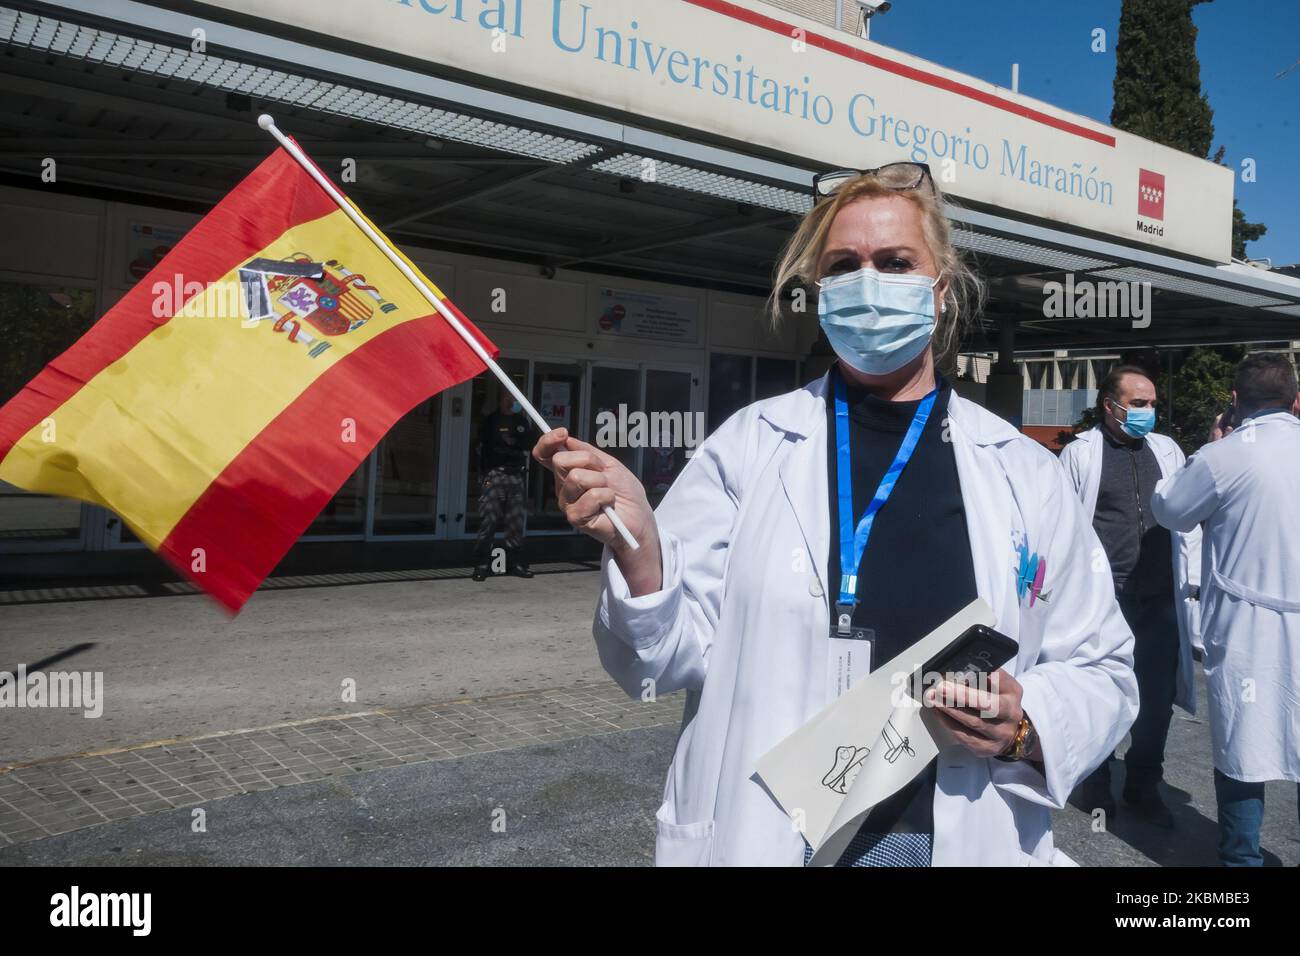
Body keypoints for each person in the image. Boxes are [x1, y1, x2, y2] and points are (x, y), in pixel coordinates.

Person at [533, 161, 1137, 866]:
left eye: (895, 261)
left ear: (939, 290)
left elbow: (1104, 666)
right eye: (844, 266)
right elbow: (656, 662)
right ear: (818, 295)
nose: (869, 282)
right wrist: (642, 552)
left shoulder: (1022, 470)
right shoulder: (752, 445)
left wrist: (1026, 722)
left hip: (955, 834)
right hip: (776, 835)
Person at [1152, 352, 1300, 866]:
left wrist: (1213, 448)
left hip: (1248, 623)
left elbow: (1169, 510)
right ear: (1297, 399)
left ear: (1235, 402)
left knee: (1243, 743)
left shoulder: (1226, 456)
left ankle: (1242, 862)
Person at [1059, 366, 1202, 827]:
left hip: (1160, 597)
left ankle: (1144, 786)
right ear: (1111, 406)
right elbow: (1064, 525)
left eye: (1152, 403)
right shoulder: (1081, 453)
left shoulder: (1167, 450)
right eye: (1138, 403)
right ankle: (1095, 784)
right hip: (1107, 598)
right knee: (1100, 691)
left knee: (1156, 700)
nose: (1148, 411)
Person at [471, 388, 533, 581]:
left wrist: (511, 443)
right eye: (508, 398)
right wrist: (510, 444)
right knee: (488, 520)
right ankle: (481, 564)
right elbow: (487, 446)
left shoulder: (521, 421)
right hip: (495, 474)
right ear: (500, 400)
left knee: (515, 522)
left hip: (516, 476)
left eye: (514, 399)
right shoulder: (491, 421)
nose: (511, 402)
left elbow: (528, 444)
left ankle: (514, 563)